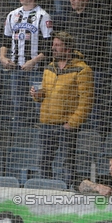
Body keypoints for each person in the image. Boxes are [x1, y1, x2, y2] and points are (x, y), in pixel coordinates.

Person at [31, 31, 92, 187]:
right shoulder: (49, 68)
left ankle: (67, 194)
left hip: (66, 125)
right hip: (46, 124)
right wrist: (37, 95)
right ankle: (47, 191)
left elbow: (86, 102)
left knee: (67, 164)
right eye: (53, 44)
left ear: (68, 48)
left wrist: (72, 123)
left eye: (57, 45)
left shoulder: (82, 70)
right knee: (43, 162)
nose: (53, 48)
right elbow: (45, 92)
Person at [0, 0, 53, 125]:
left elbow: (49, 47)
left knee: (39, 105)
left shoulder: (43, 16)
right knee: (18, 107)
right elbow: (5, 40)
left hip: (36, 70)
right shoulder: (12, 15)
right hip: (16, 69)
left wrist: (33, 61)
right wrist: (3, 57)